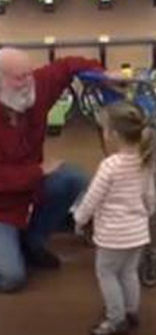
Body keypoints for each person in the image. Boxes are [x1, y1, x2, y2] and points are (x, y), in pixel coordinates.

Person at [0, 47, 103, 293]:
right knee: (10, 278)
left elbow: (67, 66)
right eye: (19, 77)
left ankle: (32, 240)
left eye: (29, 74)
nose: (27, 82)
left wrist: (104, 75)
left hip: (24, 191)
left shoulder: (35, 89)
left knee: (72, 179)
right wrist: (39, 171)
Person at [73, 102, 155, 335]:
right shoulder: (144, 161)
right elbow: (150, 198)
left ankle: (115, 319)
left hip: (112, 236)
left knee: (107, 273)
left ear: (114, 135)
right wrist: (143, 216)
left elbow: (92, 198)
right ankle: (131, 311)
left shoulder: (109, 166)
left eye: (105, 129)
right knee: (129, 272)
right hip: (138, 234)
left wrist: (80, 219)